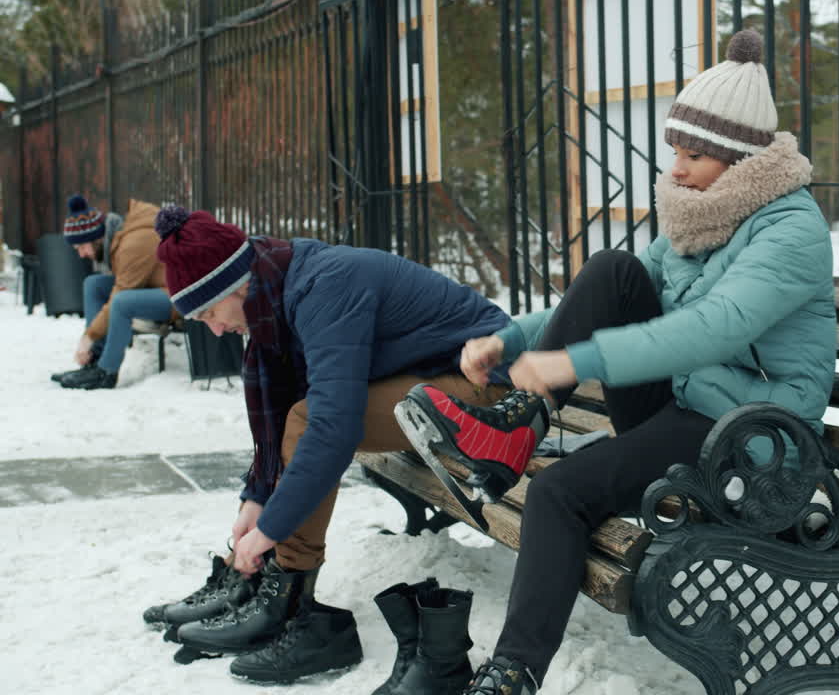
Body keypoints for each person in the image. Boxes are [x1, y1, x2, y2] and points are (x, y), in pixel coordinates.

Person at [396, 30, 836, 694]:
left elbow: (715, 330)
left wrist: (575, 360)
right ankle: (520, 424)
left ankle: (512, 677)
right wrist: (512, 342)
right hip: (686, 409)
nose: (677, 169)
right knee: (612, 268)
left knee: (557, 491)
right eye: (676, 152)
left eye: (693, 155)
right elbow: (607, 299)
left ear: (743, 161)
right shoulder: (699, 220)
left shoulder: (790, 230)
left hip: (753, 436)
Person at [145, 206, 510, 687]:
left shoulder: (324, 286)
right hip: (431, 382)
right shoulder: (278, 291)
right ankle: (273, 592)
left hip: (488, 392)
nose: (213, 328)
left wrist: (270, 530)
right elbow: (283, 407)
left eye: (210, 312)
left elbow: (333, 427)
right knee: (303, 412)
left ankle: (295, 607)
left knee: (312, 419)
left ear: (235, 285)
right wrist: (257, 498)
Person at [51, 195, 174, 389]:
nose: (82, 254)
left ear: (98, 238)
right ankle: (95, 360)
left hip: (178, 297)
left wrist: (88, 337)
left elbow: (119, 295)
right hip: (156, 288)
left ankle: (106, 371)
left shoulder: (134, 243)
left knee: (122, 302)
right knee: (94, 284)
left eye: (82, 246)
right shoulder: (123, 236)